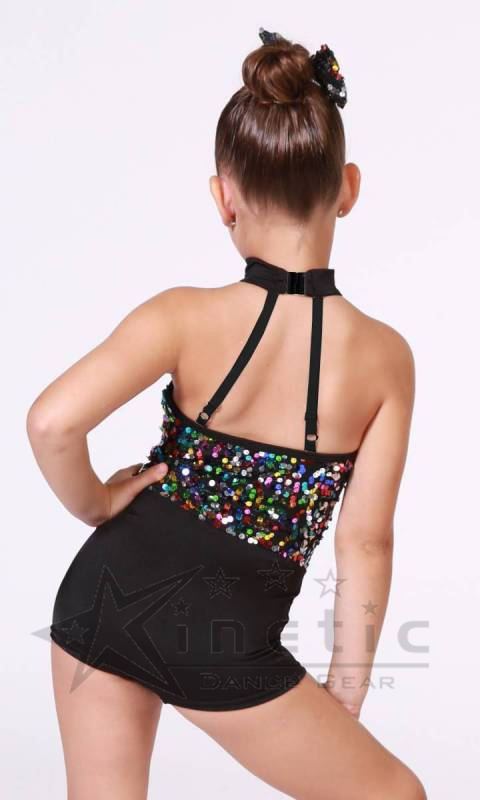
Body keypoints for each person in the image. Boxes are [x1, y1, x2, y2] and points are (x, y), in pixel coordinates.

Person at [27, 27, 427, 800]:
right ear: (347, 188)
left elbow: (51, 422)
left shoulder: (180, 315)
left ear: (224, 197)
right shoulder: (385, 359)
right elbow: (366, 541)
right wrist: (345, 694)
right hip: (219, 633)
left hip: (103, 591)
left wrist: (98, 504)